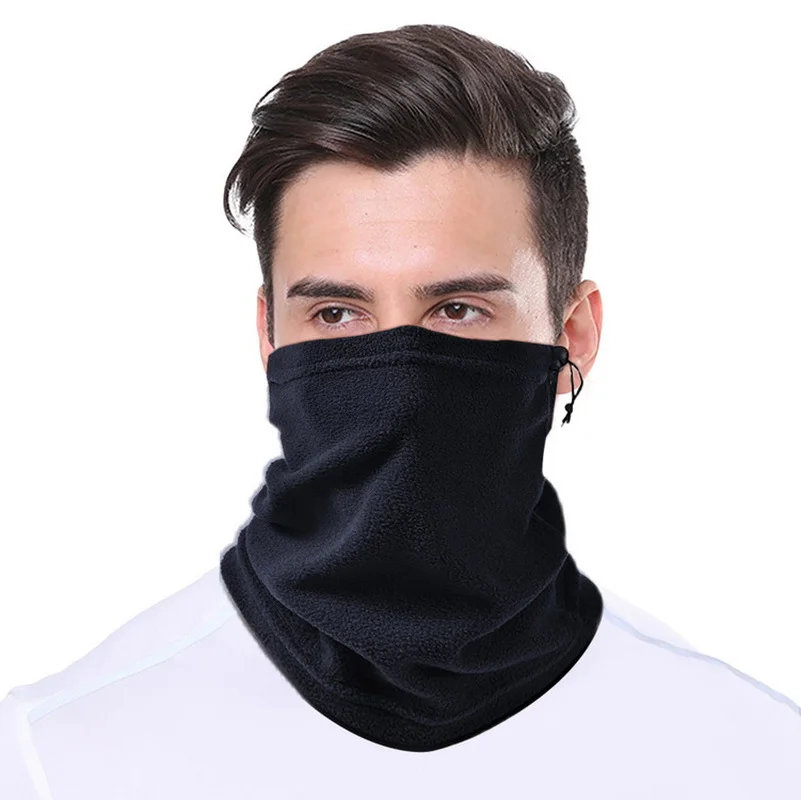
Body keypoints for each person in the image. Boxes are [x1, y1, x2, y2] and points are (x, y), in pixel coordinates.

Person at [1, 22, 798, 799]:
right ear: (269, 337)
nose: (401, 373)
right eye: (336, 314)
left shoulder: (753, 757)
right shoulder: (57, 756)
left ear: (574, 334)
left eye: (457, 309)